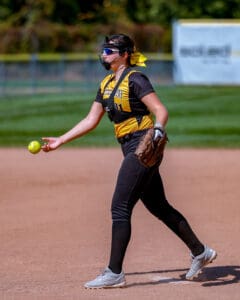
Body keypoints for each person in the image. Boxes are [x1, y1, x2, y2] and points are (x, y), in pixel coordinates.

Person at [42, 34, 217, 289]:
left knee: (120, 206)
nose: (104, 54)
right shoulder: (106, 84)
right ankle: (200, 252)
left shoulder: (135, 79)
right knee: (158, 205)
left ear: (124, 54)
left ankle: (114, 272)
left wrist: (158, 129)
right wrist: (61, 139)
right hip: (129, 146)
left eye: (110, 50)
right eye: (103, 50)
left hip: (143, 144)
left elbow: (160, 110)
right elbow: (91, 120)